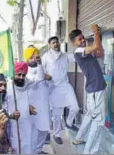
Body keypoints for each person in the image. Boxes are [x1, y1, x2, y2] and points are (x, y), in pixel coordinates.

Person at [69, 24, 106, 154]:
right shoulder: (78, 51)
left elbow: (100, 52)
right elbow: (96, 47)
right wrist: (96, 31)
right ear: (74, 43)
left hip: (94, 90)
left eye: (83, 38)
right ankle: (89, 152)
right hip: (96, 90)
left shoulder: (87, 52)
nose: (83, 40)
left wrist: (97, 36)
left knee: (90, 115)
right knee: (98, 122)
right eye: (80, 39)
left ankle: (79, 138)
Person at [42, 36, 80, 144]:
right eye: (53, 43)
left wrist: (79, 47)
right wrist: (46, 80)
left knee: (75, 107)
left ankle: (68, 122)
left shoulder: (65, 56)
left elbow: (77, 57)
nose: (56, 44)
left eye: (57, 42)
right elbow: (41, 71)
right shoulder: (46, 57)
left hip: (66, 86)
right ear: (50, 45)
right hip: (53, 88)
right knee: (57, 115)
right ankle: (57, 134)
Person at [6, 61, 44, 154]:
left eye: (23, 75)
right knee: (17, 148)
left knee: (30, 146)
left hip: (29, 124)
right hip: (15, 125)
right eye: (18, 74)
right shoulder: (7, 87)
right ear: (13, 73)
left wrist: (39, 64)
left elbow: (40, 78)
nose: (21, 77)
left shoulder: (27, 83)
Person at [23, 46, 51, 154]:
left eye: (36, 57)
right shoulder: (25, 72)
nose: (34, 59)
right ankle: (33, 151)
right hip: (32, 106)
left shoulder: (43, 68)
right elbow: (39, 78)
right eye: (31, 57)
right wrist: (40, 65)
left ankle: (38, 150)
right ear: (26, 59)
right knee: (34, 131)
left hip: (44, 104)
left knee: (44, 129)